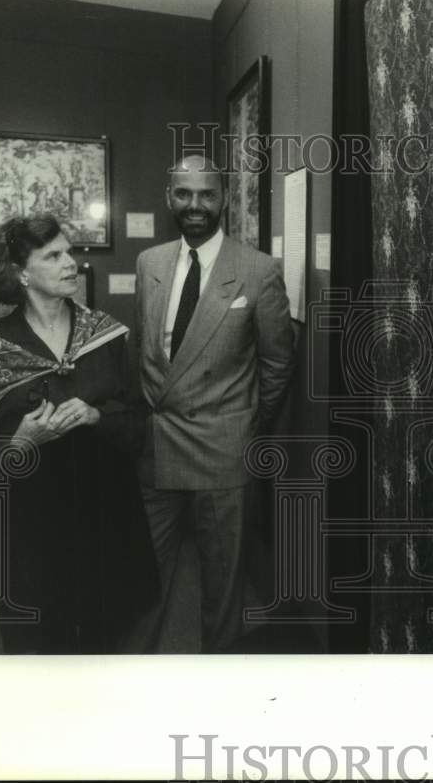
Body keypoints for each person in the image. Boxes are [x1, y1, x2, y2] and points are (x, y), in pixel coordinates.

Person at [0, 214, 159, 654]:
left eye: (71, 252)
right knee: (40, 629)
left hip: (103, 506)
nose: (71, 264)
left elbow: (139, 421)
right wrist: (20, 441)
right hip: (30, 517)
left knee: (105, 623)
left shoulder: (104, 334)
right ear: (20, 273)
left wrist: (97, 415)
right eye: (54, 256)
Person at [133, 154, 294, 653]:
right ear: (169, 199)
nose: (195, 205)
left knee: (222, 585)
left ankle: (217, 675)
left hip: (223, 451)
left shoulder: (258, 270)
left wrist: (243, 424)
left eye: (206, 194)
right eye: (184, 194)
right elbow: (141, 345)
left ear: (224, 199)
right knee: (142, 574)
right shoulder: (150, 263)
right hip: (157, 448)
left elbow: (277, 365)